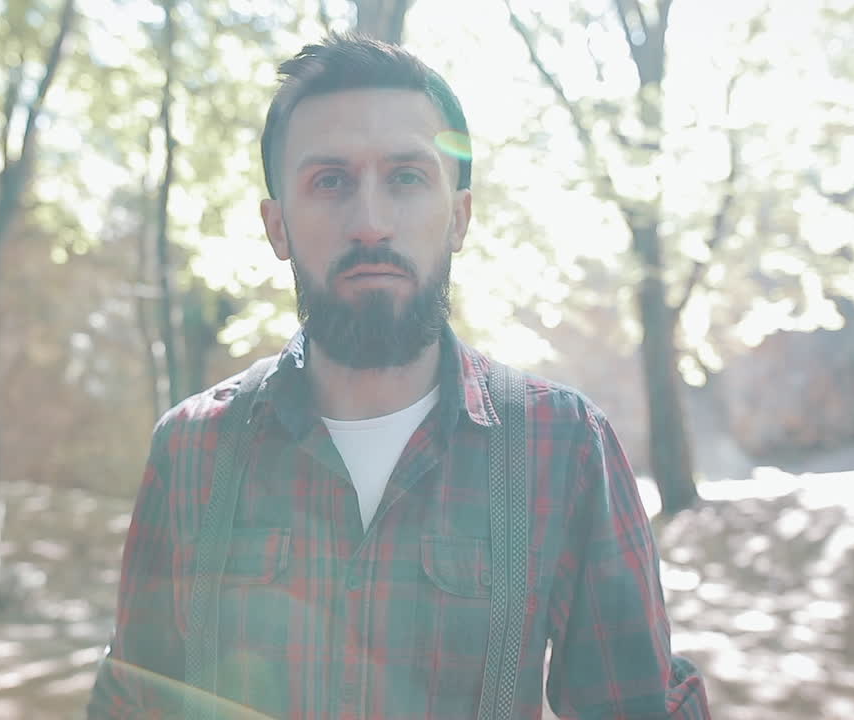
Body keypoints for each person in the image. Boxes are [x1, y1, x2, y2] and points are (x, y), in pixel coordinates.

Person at [87, 33, 709, 720]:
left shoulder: (563, 445)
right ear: (278, 226)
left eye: (407, 178)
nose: (371, 222)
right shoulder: (190, 452)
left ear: (459, 216)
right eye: (329, 181)